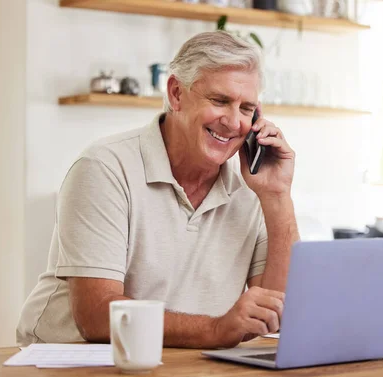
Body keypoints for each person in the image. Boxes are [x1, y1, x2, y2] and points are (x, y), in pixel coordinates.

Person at [16, 31, 300, 348]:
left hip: (183, 363)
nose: (234, 123)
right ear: (176, 93)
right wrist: (215, 329)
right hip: (73, 365)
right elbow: (96, 317)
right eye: (220, 101)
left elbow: (279, 313)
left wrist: (277, 196)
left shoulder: (253, 187)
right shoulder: (104, 167)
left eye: (246, 108)